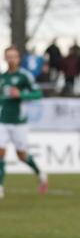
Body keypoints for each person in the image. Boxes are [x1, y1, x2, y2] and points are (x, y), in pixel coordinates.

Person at [0, 46, 48, 198]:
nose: (11, 59)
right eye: (8, 56)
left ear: (18, 58)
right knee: (0, 152)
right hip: (3, 121)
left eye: (14, 56)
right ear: (4, 58)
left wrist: (21, 94)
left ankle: (40, 173)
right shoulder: (2, 78)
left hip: (19, 122)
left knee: (21, 155)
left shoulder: (24, 76)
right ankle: (0, 186)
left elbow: (38, 94)